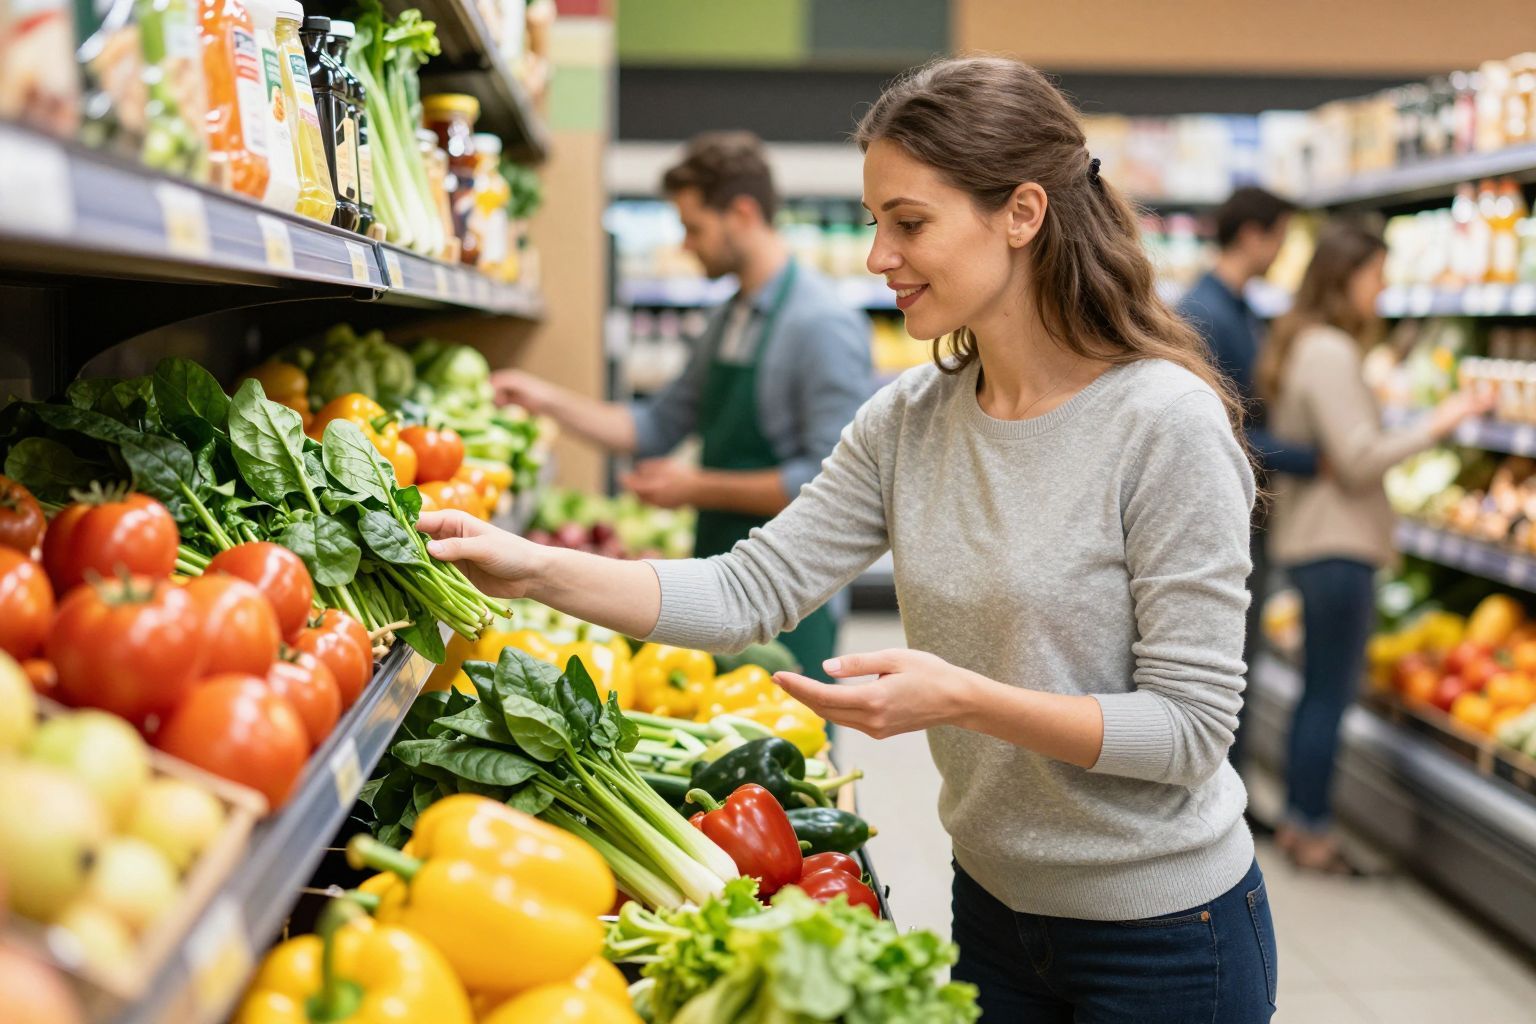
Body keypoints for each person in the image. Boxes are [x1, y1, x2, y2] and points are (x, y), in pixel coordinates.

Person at [424, 57, 1276, 1021]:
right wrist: (531, 567)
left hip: (1164, 939)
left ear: (1023, 213)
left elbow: (1192, 731)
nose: (879, 256)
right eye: (876, 223)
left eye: (909, 223)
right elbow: (750, 589)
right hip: (995, 912)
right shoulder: (909, 418)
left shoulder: (1164, 424)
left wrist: (966, 699)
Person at [493, 131, 870, 680]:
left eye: (693, 228)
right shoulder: (725, 319)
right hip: (719, 575)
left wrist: (693, 487)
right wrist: (543, 398)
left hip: (794, 594)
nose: (685, 245)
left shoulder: (820, 325)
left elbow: (823, 485)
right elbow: (652, 427)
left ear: (741, 213)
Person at [1258, 222, 1490, 875]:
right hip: (1336, 544)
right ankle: (1312, 830)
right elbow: (1357, 462)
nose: (1382, 290)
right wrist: (1439, 425)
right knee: (1328, 694)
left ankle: (1306, 823)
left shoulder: (1306, 341)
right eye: (1375, 276)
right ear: (1346, 276)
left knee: (1318, 691)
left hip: (1316, 541)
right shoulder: (1329, 348)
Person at [1178, 187, 1319, 787]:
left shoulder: (1237, 307)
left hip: (1249, 512)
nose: (1283, 253)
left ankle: (1232, 787)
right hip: (1223, 516)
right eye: (1281, 238)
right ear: (1254, 236)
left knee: (1243, 663)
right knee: (1225, 666)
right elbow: (1215, 431)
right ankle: (1220, 793)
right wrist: (1312, 457)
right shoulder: (1205, 313)